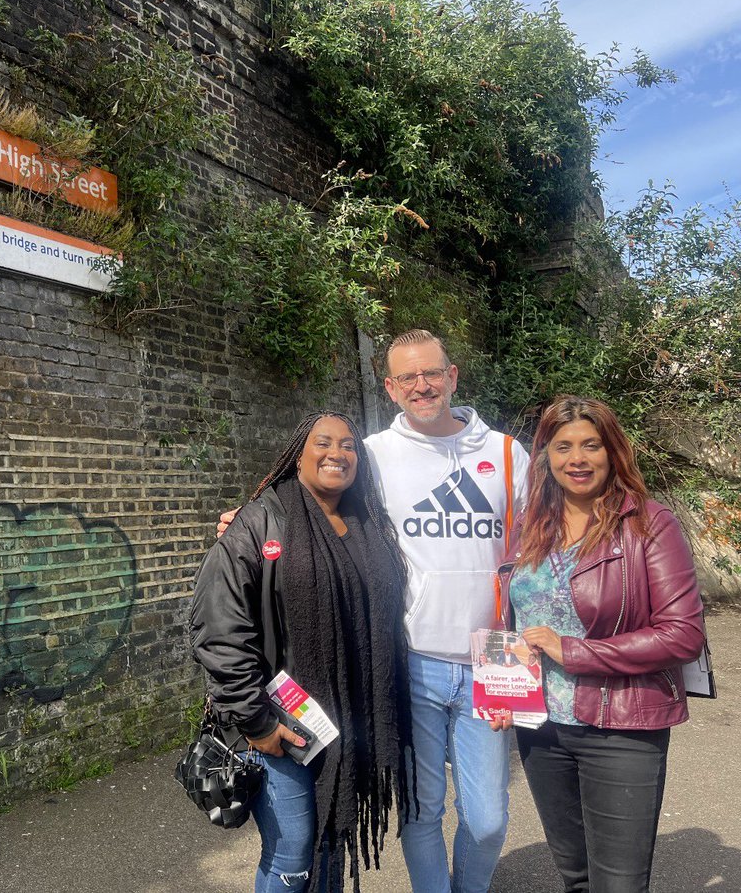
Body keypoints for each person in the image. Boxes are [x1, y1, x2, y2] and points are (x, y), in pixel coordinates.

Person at [217, 329, 528, 893]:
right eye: (407, 377)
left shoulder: (507, 454)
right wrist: (247, 520)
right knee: (419, 810)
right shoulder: (375, 454)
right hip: (409, 662)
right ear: (389, 387)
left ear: (453, 375)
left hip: (491, 665)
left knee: (488, 820)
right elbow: (308, 497)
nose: (421, 385)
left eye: (431, 373)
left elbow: (535, 553)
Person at [190, 411, 412, 893]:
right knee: (293, 853)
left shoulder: (367, 522)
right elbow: (218, 627)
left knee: (330, 840)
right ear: (297, 454)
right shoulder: (260, 522)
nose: (338, 453)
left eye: (349, 445)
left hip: (344, 722)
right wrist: (257, 722)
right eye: (323, 442)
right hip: (277, 724)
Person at [493, 395, 706, 893]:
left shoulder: (649, 525)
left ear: (613, 453)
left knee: (619, 884)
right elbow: (518, 620)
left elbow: (683, 634)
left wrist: (576, 651)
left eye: (591, 445)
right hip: (542, 729)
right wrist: (503, 691)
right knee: (577, 878)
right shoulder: (530, 529)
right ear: (545, 456)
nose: (577, 459)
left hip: (622, 726)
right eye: (563, 446)